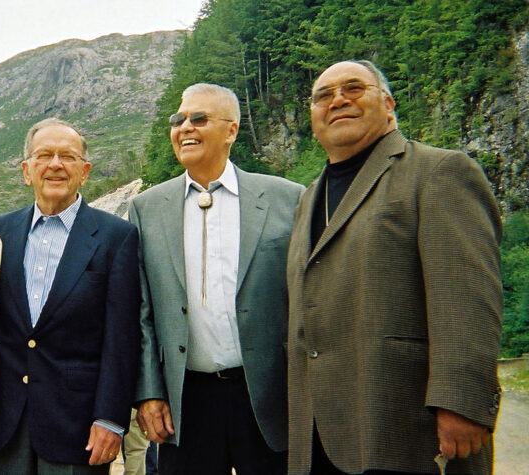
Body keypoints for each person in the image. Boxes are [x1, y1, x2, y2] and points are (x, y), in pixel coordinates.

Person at [286, 60, 503, 474]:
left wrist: (462, 402)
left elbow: (467, 300)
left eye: (354, 88)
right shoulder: (309, 197)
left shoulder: (439, 172)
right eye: (323, 95)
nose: (338, 100)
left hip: (406, 425)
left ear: (387, 104)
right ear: (313, 118)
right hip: (321, 433)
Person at [128, 83, 304, 474]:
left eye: (199, 119)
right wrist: (149, 392)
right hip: (186, 400)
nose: (185, 127)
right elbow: (141, 312)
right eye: (179, 120)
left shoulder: (288, 198)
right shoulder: (146, 209)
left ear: (231, 130)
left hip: (268, 396)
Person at [0, 118, 141, 474]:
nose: (55, 164)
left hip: (79, 425)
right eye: (44, 156)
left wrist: (111, 419)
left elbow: (122, 338)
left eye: (67, 156)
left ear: (84, 172)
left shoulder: (116, 237)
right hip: (6, 425)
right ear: (27, 170)